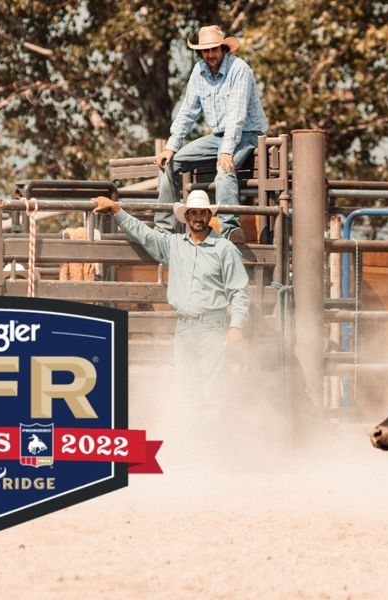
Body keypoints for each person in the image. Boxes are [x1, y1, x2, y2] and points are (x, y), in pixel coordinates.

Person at [92, 191, 249, 401]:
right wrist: (116, 210)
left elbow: (238, 290)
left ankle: (214, 432)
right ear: (186, 216)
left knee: (214, 390)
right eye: (194, 213)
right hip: (184, 327)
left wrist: (236, 326)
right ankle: (191, 431)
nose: (198, 217)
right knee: (185, 387)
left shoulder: (225, 249)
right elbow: (144, 234)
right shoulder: (174, 244)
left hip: (212, 327)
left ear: (209, 215)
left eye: (203, 213)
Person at [154, 25, 268, 242]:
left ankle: (229, 230)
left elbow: (236, 116)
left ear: (223, 49)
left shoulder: (239, 70)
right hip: (218, 137)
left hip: (247, 133)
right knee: (169, 164)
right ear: (200, 53)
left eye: (214, 49)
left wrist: (226, 153)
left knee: (224, 170)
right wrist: (171, 146)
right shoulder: (199, 71)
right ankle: (164, 228)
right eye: (205, 51)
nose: (210, 55)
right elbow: (187, 111)